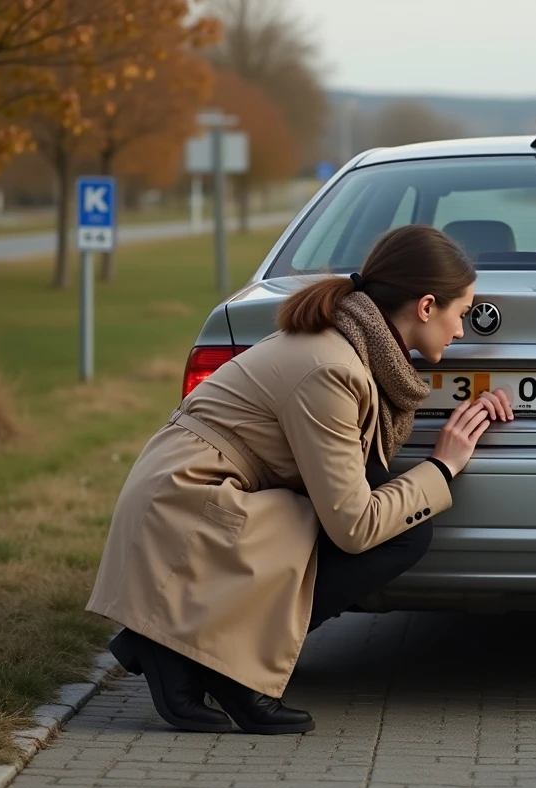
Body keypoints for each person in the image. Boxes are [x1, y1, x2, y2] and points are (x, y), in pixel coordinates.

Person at [86, 225, 513, 735]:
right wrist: (442, 466)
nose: (463, 331)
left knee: (388, 515)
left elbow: (361, 462)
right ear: (425, 307)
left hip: (202, 493)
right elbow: (353, 525)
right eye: (460, 314)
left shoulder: (350, 343)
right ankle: (222, 662)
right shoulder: (333, 369)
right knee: (394, 533)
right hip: (185, 505)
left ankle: (177, 647)